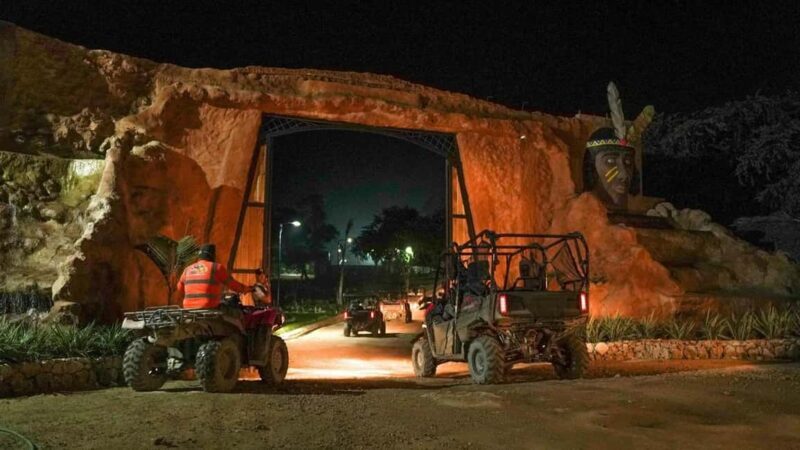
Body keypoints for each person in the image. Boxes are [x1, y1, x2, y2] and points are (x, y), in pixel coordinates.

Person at [176, 244, 251, 310]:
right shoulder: (216, 267)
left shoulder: (187, 269)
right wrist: (245, 289)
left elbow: (180, 288)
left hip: (188, 308)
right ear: (213, 255)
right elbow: (233, 285)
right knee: (236, 313)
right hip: (208, 308)